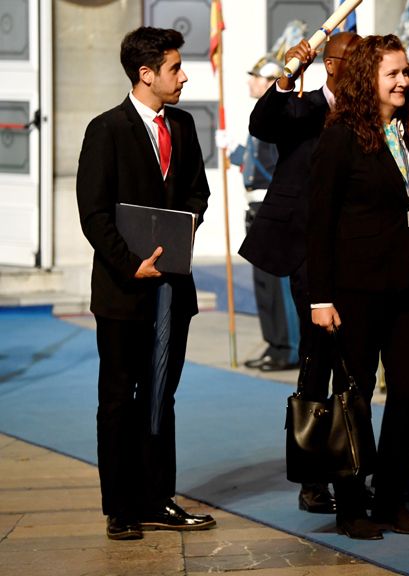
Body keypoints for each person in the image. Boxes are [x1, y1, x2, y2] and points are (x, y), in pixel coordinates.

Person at [76, 26, 215, 540]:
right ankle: (121, 506)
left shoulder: (182, 124)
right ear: (146, 74)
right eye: (176, 67)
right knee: (117, 397)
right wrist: (129, 262)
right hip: (122, 290)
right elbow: (93, 213)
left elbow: (198, 191)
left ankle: (158, 497)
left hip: (172, 288)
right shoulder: (105, 129)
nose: (184, 76)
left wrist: (187, 225)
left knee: (161, 397)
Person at [307, 34, 409, 541]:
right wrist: (321, 298)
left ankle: (390, 498)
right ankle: (350, 506)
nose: (404, 81)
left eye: (406, 72)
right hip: (353, 291)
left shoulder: (408, 132)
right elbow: (318, 221)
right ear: (369, 78)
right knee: (353, 398)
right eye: (393, 74)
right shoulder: (341, 135)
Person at [241, 31, 361, 515]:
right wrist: (289, 73)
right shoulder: (303, 105)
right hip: (306, 249)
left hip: (357, 248)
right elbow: (262, 122)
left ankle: (352, 468)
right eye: (359, 61)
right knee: (317, 361)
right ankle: (313, 479)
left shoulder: (373, 113)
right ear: (332, 66)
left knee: (354, 363)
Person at [229, 55, 297, 373]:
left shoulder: (277, 118)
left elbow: (277, 166)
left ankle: (289, 347)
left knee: (279, 286)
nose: (250, 82)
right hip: (256, 207)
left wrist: (242, 157)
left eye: (256, 77)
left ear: (271, 83)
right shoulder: (262, 116)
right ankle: (274, 343)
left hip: (272, 208)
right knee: (264, 285)